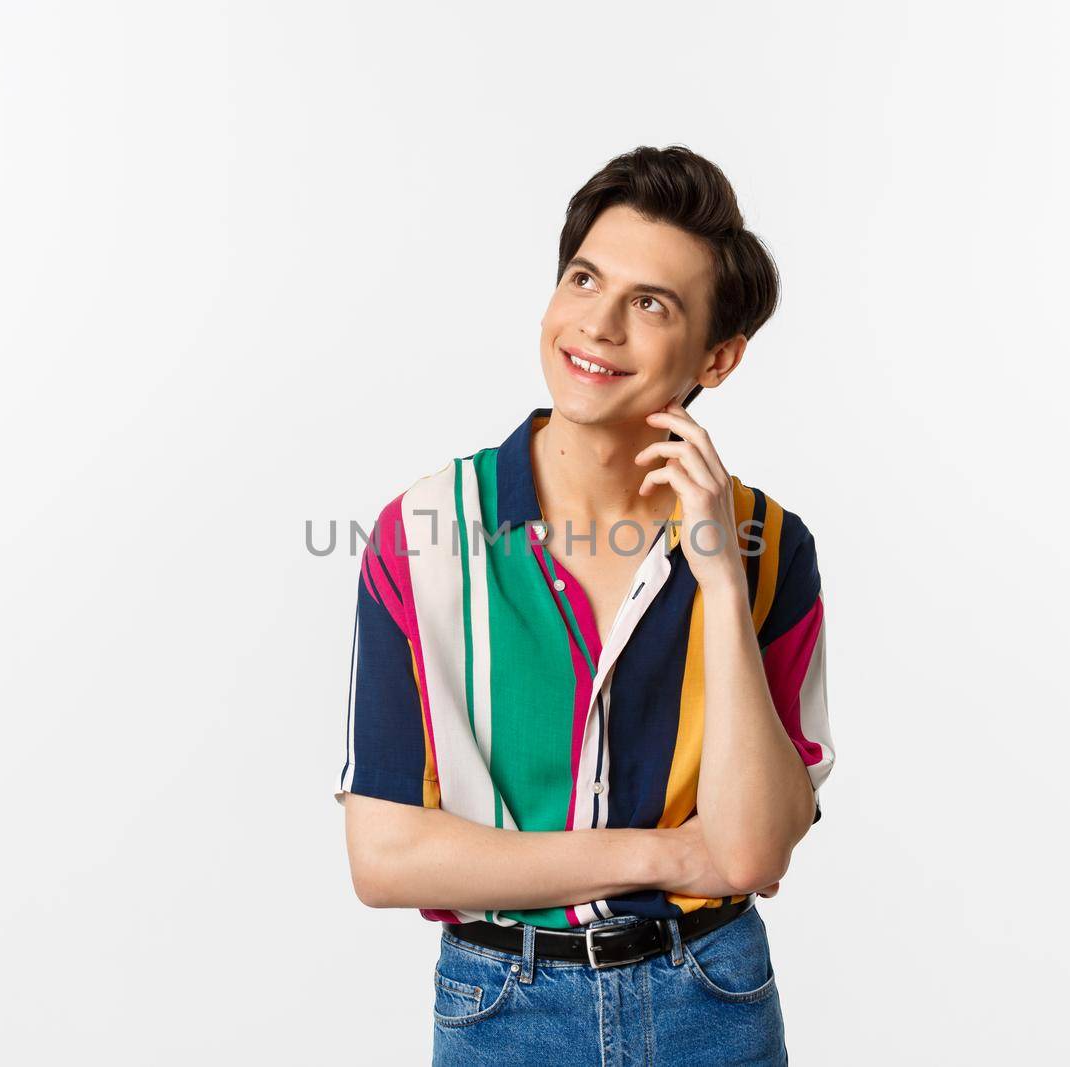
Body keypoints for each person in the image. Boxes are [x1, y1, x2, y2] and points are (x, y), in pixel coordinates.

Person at [334, 144, 836, 1066]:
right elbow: (388, 857)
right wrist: (667, 854)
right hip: (502, 1008)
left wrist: (719, 579)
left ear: (718, 356)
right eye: (584, 278)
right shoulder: (423, 534)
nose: (597, 325)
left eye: (651, 304)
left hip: (712, 1000)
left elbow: (755, 851)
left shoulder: (770, 548)